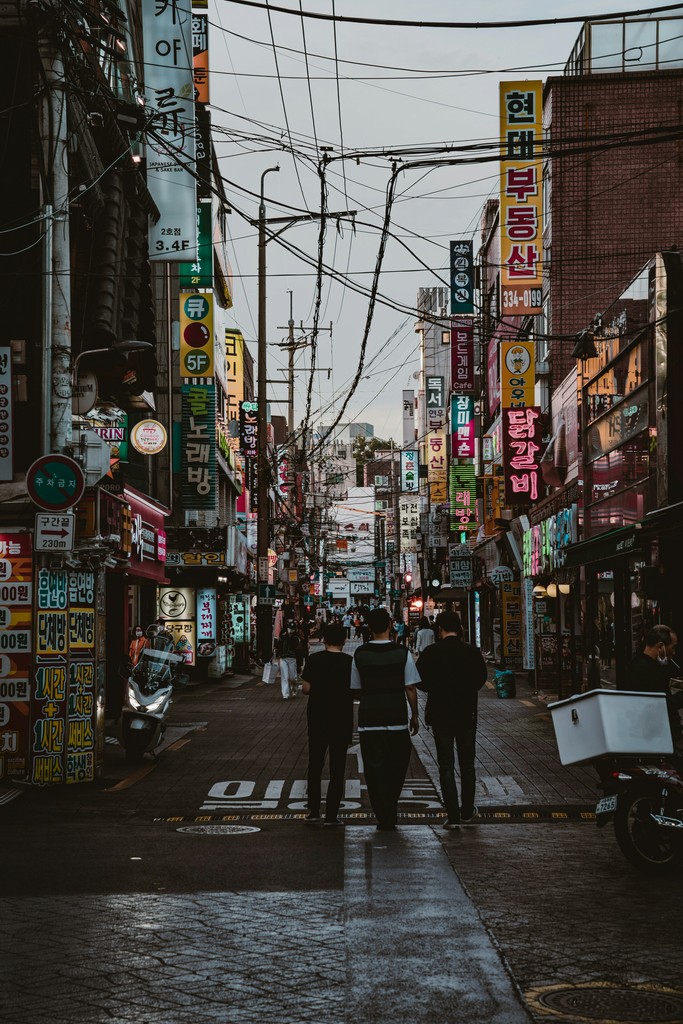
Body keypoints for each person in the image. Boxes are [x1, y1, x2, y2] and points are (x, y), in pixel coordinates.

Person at [415, 611, 487, 828]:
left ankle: (453, 816)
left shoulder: (431, 652)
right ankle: (467, 810)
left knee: (446, 765)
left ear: (440, 629)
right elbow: (480, 679)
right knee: (467, 764)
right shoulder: (471, 652)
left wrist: (437, 686)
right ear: (460, 627)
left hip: (440, 715)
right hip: (466, 713)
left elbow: (420, 682)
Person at [350, 607, 420, 831]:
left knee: (374, 769)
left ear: (369, 627)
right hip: (396, 718)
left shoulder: (360, 654)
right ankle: (390, 806)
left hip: (369, 719)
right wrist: (415, 714)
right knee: (397, 765)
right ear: (390, 625)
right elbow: (410, 687)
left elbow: (355, 688)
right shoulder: (402, 653)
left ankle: (383, 814)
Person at [301, 622, 353, 826]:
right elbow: (356, 689)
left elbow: (306, 689)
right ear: (343, 641)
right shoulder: (349, 662)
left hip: (317, 718)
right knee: (337, 768)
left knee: (315, 765)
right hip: (341, 719)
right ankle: (332, 815)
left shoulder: (314, 660)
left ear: (324, 640)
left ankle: (313, 810)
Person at [625, 624, 682, 747]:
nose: (674, 652)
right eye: (673, 647)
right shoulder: (647, 670)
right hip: (652, 738)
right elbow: (661, 703)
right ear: (661, 646)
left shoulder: (638, 663)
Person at [274, 624, 299, 700]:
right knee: (284, 676)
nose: (290, 630)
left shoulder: (295, 637)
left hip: (292, 658)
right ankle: (285, 694)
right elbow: (278, 643)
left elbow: (295, 646)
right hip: (283, 657)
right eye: (289, 628)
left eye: (292, 629)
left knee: (292, 677)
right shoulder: (283, 634)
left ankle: (294, 691)